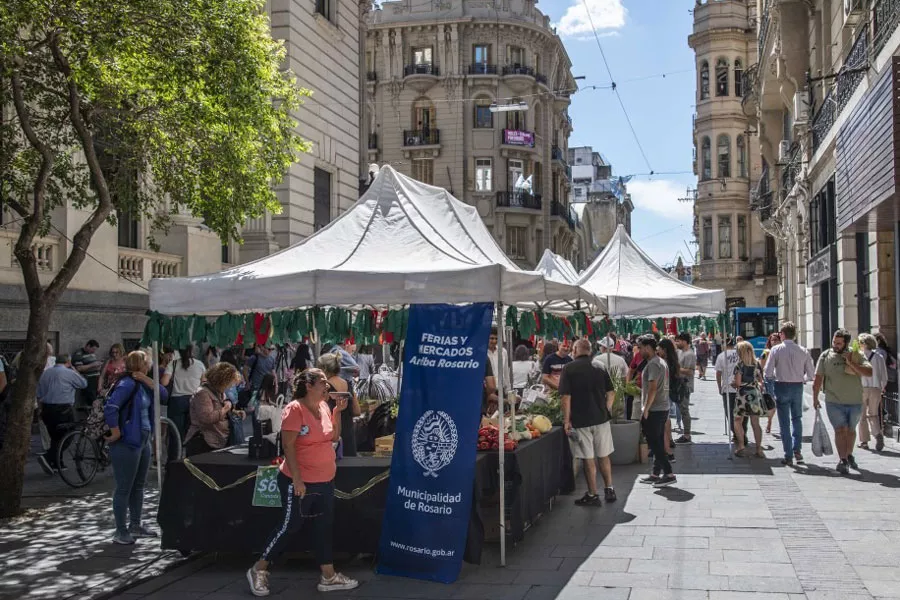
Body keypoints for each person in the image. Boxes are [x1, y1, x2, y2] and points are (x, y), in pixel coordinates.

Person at [247, 368, 358, 595]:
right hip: (299, 481)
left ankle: (328, 576)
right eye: (323, 382)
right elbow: (288, 445)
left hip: (325, 480)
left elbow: (334, 437)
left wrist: (337, 412)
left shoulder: (325, 407)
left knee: (324, 528)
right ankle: (259, 569)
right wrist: (297, 480)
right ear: (309, 385)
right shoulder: (295, 409)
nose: (327, 386)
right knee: (290, 526)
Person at [104, 350, 169, 544]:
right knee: (125, 486)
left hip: (143, 439)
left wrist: (147, 380)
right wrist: (115, 432)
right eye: (148, 364)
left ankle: (135, 524)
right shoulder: (126, 384)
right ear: (141, 365)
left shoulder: (142, 383)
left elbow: (163, 394)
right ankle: (120, 530)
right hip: (127, 442)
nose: (150, 367)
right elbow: (111, 407)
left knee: (139, 485)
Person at [560, 339, 617, 506]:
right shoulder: (599, 366)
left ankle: (592, 494)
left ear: (576, 349)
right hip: (601, 418)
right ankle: (609, 488)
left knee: (588, 457)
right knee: (604, 455)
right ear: (590, 350)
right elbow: (611, 392)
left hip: (581, 419)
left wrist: (566, 420)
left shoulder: (569, 368)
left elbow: (565, 397)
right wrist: (606, 408)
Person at [813, 329, 872, 474]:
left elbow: (869, 372)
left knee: (851, 431)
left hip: (855, 401)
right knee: (840, 430)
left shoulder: (856, 354)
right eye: (834, 342)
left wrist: (851, 363)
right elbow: (818, 377)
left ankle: (849, 455)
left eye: (839, 343)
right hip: (834, 401)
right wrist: (815, 397)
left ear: (846, 343)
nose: (835, 345)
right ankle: (843, 459)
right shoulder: (825, 355)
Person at [764, 322, 816, 466]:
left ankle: (788, 454)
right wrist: (802, 379)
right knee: (797, 418)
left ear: (782, 334)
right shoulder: (803, 350)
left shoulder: (776, 350)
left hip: (781, 385)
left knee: (784, 422)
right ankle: (797, 450)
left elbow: (767, 372)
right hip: (797, 386)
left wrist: (773, 378)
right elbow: (811, 374)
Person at [35, 354, 87, 474]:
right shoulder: (69, 373)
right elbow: (83, 384)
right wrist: (74, 370)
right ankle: (48, 457)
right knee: (67, 436)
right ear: (68, 362)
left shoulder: (46, 373)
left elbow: (39, 393)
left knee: (55, 437)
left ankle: (57, 462)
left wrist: (40, 409)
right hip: (63, 409)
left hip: (47, 409)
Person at [637, 336, 676, 487]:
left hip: (655, 408)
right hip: (662, 406)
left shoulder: (653, 364)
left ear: (648, 347)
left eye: (640, 348)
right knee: (657, 440)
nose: (639, 351)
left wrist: (645, 409)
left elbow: (652, 388)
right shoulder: (660, 362)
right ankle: (655, 473)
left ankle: (669, 473)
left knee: (654, 442)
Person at [183, 362, 244, 456]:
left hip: (218, 440)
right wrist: (225, 409)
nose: (229, 387)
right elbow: (206, 417)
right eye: (229, 384)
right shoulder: (203, 393)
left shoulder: (219, 392)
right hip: (204, 442)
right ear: (221, 381)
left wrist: (235, 413)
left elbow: (219, 408)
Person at [318, 353, 361, 456]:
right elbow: (357, 411)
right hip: (349, 435)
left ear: (324, 368)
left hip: (332, 435)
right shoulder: (348, 383)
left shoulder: (324, 387)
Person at [161, 346, 207, 440]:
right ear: (192, 351)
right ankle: (191, 453)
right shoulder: (200, 364)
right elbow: (204, 383)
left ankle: (175, 453)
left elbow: (164, 382)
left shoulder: (173, 364)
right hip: (194, 400)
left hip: (176, 401)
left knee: (175, 433)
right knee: (193, 431)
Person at [731, 341, 765, 457]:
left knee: (737, 420)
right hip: (754, 395)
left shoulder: (739, 365)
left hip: (743, 395)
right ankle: (759, 448)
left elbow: (738, 383)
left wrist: (733, 384)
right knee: (755, 423)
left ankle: (741, 446)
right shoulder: (757, 364)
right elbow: (761, 381)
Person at [858, 333, 887, 452]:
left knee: (862, 415)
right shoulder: (879, 357)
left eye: (860, 342)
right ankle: (877, 434)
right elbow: (884, 375)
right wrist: (881, 387)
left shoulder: (859, 357)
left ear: (864, 344)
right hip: (875, 388)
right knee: (873, 414)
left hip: (861, 388)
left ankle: (864, 441)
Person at [715, 338, 747, 443]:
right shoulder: (740, 354)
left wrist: (719, 387)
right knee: (743, 412)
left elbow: (718, 373)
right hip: (741, 387)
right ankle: (743, 432)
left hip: (728, 388)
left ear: (724, 344)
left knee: (730, 413)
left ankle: (737, 434)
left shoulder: (721, 356)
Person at [658, 338, 681, 463]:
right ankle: (670, 440)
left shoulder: (663, 362)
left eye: (659, 348)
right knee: (667, 419)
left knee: (664, 420)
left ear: (664, 349)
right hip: (670, 392)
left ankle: (667, 450)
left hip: (663, 393)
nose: (658, 350)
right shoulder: (674, 360)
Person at [673, 332, 696, 444]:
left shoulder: (689, 354)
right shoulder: (679, 352)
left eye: (679, 341)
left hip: (685, 385)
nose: (677, 343)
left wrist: (676, 369)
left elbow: (690, 372)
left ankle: (687, 435)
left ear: (685, 342)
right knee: (682, 409)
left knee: (684, 409)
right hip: (678, 384)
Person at [72, 339, 102, 417]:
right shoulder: (79, 354)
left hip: (96, 379)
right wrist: (93, 365)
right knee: (92, 401)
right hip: (88, 380)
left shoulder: (91, 354)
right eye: (93, 349)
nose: (94, 352)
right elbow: (79, 368)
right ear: (88, 346)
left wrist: (98, 365)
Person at [758, 333, 781, 434]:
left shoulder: (782, 351)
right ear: (769, 342)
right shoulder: (766, 352)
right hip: (770, 380)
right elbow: (761, 366)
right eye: (773, 340)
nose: (774, 342)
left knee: (779, 402)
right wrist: (761, 380)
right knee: (773, 402)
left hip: (781, 379)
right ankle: (770, 421)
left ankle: (771, 421)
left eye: (776, 340)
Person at [487, 327, 511, 392]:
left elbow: (506, 373)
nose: (494, 341)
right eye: (492, 338)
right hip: (487, 390)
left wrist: (508, 390)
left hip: (501, 389)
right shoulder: (481, 353)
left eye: (496, 339)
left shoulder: (503, 352)